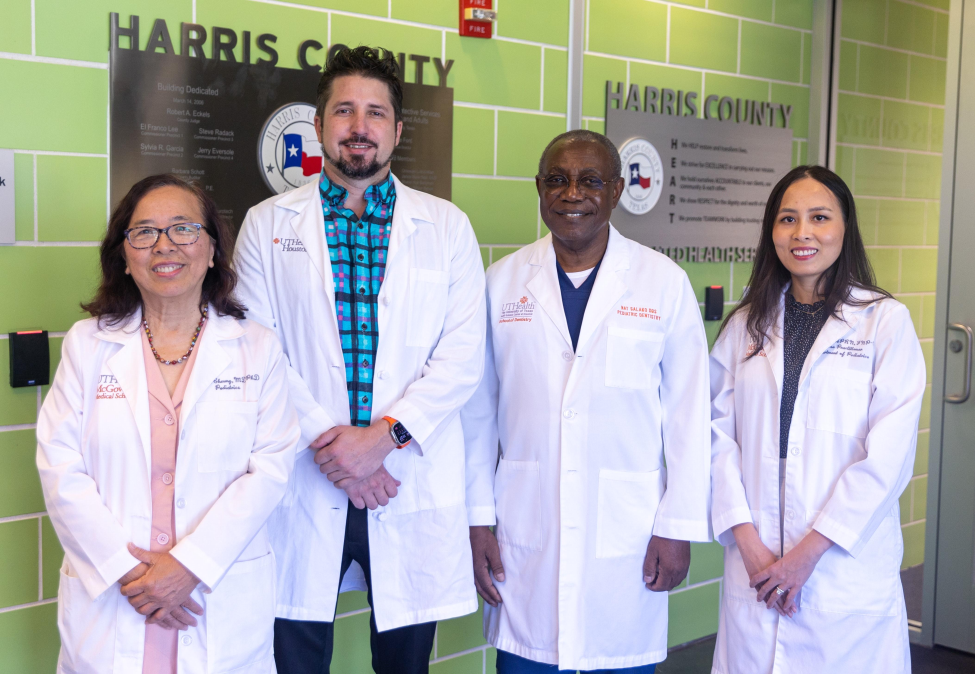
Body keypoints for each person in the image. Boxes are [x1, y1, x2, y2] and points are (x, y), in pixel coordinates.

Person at [234, 46, 486, 674]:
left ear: (397, 131)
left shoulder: (447, 228)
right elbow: (258, 352)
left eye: (375, 113)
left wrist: (383, 439)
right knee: (293, 652)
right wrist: (341, 452)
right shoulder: (265, 225)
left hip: (403, 472)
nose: (359, 125)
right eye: (343, 110)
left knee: (403, 661)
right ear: (318, 126)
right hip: (305, 471)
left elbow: (460, 358)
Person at [462, 130, 712, 673]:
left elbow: (691, 417)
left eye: (590, 180)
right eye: (557, 179)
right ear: (539, 188)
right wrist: (478, 518)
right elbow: (477, 413)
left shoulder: (662, 283)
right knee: (528, 659)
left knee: (617, 656)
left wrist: (679, 525)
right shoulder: (501, 283)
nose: (571, 193)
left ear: (617, 190)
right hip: (526, 525)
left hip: (627, 531)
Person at [36, 174, 299, 673]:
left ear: (214, 249)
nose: (164, 246)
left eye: (183, 229)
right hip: (116, 599)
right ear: (124, 257)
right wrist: (131, 572)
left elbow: (270, 470)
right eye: (144, 233)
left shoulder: (257, 347)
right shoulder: (87, 345)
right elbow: (59, 466)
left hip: (212, 596)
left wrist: (189, 567)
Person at [709, 165, 924, 673]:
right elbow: (715, 440)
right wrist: (748, 543)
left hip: (841, 572)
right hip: (754, 561)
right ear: (772, 232)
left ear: (844, 228)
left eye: (819, 217)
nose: (802, 233)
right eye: (787, 219)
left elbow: (887, 458)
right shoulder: (744, 326)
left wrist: (807, 553)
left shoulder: (885, 323)